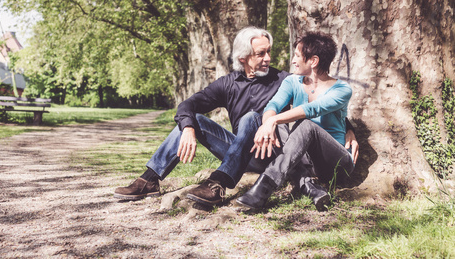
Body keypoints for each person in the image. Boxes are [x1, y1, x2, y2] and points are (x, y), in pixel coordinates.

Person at [114, 27, 358, 207]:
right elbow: (188, 104)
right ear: (244, 58)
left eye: (269, 52)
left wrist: (349, 128)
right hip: (238, 152)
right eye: (261, 54)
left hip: (270, 152)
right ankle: (149, 180)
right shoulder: (227, 84)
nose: (268, 58)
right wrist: (188, 128)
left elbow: (321, 109)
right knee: (193, 119)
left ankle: (218, 184)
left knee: (253, 117)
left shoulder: (282, 79)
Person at [236, 31, 358, 211]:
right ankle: (309, 186)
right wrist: (268, 123)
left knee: (305, 124)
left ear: (313, 61)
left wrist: (272, 121)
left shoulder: (342, 89)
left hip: (336, 164)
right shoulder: (292, 81)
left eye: (297, 56)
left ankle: (264, 187)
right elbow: (273, 105)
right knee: (275, 124)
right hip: (305, 159)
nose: (293, 60)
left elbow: (311, 110)